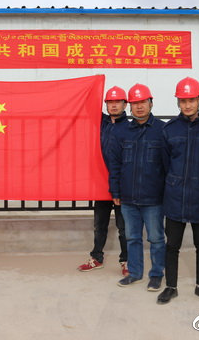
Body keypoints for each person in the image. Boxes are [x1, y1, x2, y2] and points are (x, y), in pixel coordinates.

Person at [157, 77, 199, 305]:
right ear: (178, 102)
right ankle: (171, 287)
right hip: (175, 196)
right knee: (172, 245)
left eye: (191, 100)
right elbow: (165, 163)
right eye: (183, 101)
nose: (187, 105)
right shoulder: (170, 129)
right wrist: (174, 182)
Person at [107, 84, 167, 291]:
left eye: (143, 102)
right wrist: (115, 191)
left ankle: (156, 274)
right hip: (128, 196)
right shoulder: (122, 132)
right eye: (135, 103)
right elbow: (115, 164)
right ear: (129, 106)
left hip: (154, 198)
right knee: (132, 237)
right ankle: (134, 273)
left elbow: (168, 165)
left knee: (156, 238)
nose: (139, 107)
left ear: (151, 103)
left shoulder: (162, 130)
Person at [78, 86, 128, 275]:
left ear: (125, 104)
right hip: (101, 184)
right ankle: (96, 257)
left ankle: (126, 261)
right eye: (110, 102)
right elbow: (85, 105)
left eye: (117, 102)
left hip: (121, 185)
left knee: (124, 227)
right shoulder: (101, 123)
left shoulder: (129, 128)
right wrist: (92, 85)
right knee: (100, 224)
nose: (113, 105)